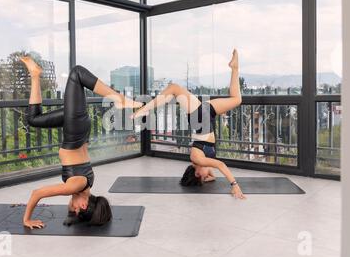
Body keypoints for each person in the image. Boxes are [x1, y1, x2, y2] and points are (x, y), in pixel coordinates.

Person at [20, 57, 142, 229]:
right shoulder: (75, 186)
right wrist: (27, 219)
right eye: (74, 210)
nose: (71, 208)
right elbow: (37, 194)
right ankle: (118, 98)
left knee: (34, 119)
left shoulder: (86, 184)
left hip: (77, 130)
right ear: (83, 206)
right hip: (75, 130)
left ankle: (35, 74)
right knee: (76, 73)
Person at [132, 50, 245, 199]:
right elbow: (211, 175)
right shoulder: (201, 164)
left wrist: (235, 186)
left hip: (199, 118)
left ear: (197, 172)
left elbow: (221, 166)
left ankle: (143, 110)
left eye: (203, 177)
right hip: (207, 117)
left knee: (174, 88)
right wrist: (207, 177)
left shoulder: (197, 159)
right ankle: (235, 68)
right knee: (237, 99)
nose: (208, 176)